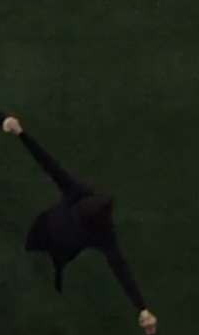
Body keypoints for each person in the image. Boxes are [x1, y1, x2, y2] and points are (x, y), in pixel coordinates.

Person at [8, 123, 150, 310]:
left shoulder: (105, 235)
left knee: (57, 264)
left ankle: (55, 278)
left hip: (64, 249)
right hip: (44, 228)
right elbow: (48, 163)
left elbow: (121, 270)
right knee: (26, 250)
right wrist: (21, 134)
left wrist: (142, 308)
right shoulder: (76, 191)